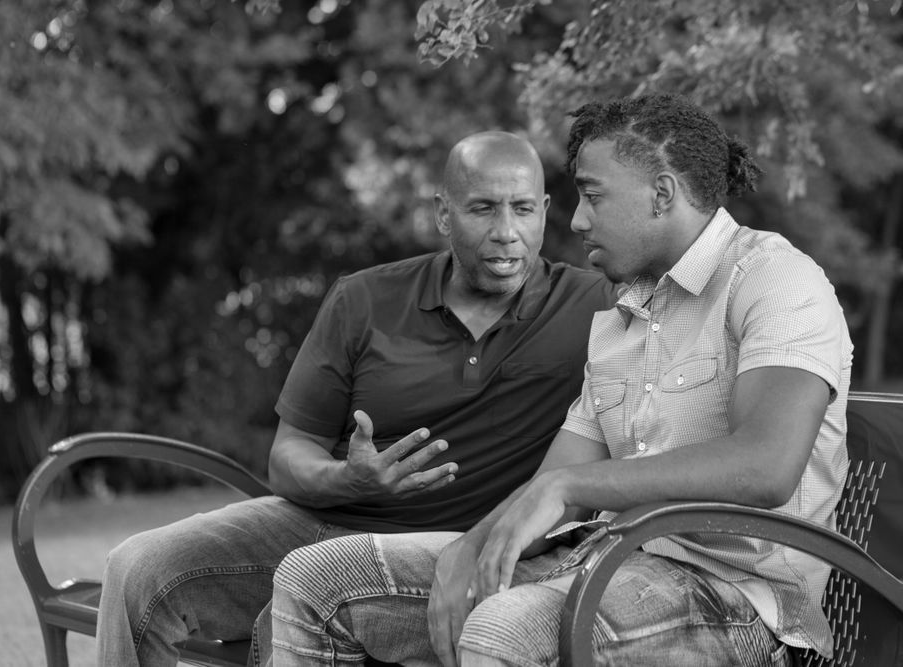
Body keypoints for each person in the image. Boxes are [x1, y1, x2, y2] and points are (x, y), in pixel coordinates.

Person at [268, 93, 852, 667]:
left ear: (662, 194)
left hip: (737, 601)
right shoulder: (625, 316)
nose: (576, 220)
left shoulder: (775, 281)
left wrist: (571, 490)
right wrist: (470, 546)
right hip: (605, 560)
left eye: (593, 195)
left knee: (503, 630)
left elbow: (766, 466)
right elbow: (553, 480)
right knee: (320, 577)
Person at [95, 130, 616, 666]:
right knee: (137, 568)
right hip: (324, 521)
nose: (507, 232)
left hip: (451, 547)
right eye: (482, 209)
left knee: (290, 613)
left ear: (546, 211)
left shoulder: (595, 305)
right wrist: (347, 478)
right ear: (444, 214)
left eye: (523, 209)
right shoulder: (364, 299)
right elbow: (289, 455)